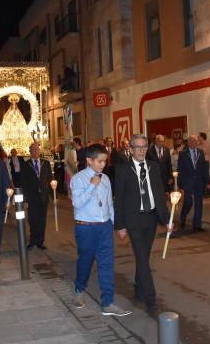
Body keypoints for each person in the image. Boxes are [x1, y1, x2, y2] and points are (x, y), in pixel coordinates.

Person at [71, 144, 131, 317]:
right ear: (89, 160)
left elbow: (109, 204)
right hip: (86, 227)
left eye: (105, 161)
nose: (103, 165)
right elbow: (77, 203)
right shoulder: (79, 179)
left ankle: (108, 303)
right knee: (86, 261)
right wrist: (91, 186)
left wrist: (118, 225)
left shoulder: (105, 179)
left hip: (104, 227)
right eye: (99, 161)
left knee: (106, 264)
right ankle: (79, 289)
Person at [115, 134, 170, 316]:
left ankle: (139, 288)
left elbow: (160, 195)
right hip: (133, 220)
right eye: (137, 147)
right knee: (142, 257)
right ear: (130, 149)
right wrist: (120, 224)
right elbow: (119, 199)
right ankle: (151, 299)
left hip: (151, 218)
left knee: (143, 257)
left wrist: (167, 219)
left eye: (144, 146)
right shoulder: (123, 170)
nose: (141, 150)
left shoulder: (154, 167)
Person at [20, 142, 53, 250]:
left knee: (42, 220)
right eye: (32, 150)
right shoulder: (26, 165)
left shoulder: (46, 163)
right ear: (30, 152)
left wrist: (54, 196)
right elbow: (23, 183)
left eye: (36, 149)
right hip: (32, 197)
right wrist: (24, 199)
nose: (35, 151)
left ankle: (40, 241)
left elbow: (50, 180)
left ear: (39, 151)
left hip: (43, 196)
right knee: (33, 219)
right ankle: (33, 240)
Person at [177, 135, 210, 232]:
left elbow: (204, 168)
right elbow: (180, 169)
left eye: (195, 141)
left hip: (199, 181)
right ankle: (182, 218)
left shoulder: (200, 152)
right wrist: (180, 184)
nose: (193, 143)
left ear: (197, 143)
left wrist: (207, 181)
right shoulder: (183, 154)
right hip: (188, 181)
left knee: (199, 203)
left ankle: (197, 225)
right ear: (188, 143)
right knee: (188, 201)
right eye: (191, 141)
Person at [198, 132, 210, 198]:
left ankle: (208, 192)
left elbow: (203, 152)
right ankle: (203, 193)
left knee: (206, 176)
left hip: (205, 162)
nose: (198, 138)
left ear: (202, 137)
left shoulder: (207, 144)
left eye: (199, 136)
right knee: (201, 177)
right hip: (199, 163)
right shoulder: (198, 144)